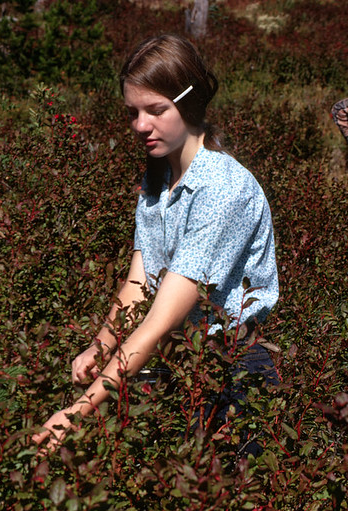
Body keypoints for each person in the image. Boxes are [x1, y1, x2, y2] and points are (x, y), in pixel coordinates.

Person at [33, 34, 279, 448]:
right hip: (178, 362)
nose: (140, 126)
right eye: (132, 112)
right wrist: (99, 346)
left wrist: (76, 413)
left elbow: (159, 319)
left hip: (233, 372)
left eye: (156, 110)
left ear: (190, 102)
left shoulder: (222, 187)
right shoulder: (158, 183)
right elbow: (139, 283)